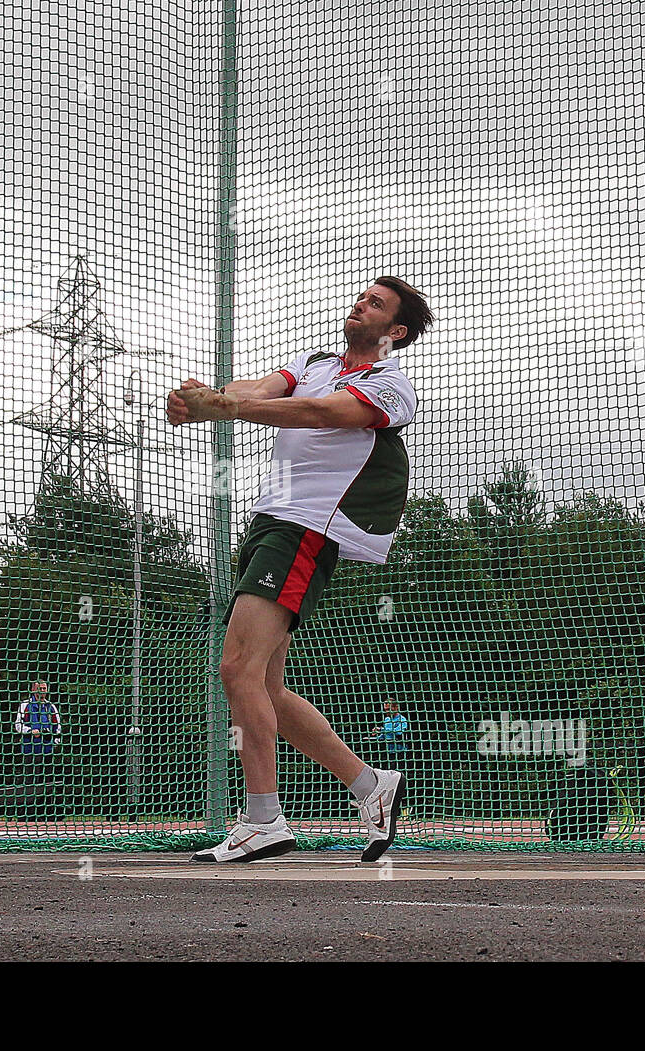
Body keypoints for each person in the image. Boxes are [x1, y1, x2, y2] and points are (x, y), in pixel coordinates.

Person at [168, 276, 432, 862]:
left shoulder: (391, 384)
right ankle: (371, 785)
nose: (360, 303)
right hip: (271, 520)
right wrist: (202, 396)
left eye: (376, 303)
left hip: (308, 527)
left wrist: (229, 407)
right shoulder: (314, 361)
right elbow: (262, 386)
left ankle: (263, 818)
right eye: (361, 296)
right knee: (264, 684)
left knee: (236, 666)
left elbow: (317, 413)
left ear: (396, 331)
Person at [15, 680, 62, 820]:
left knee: (47, 781)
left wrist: (54, 742)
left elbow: (57, 727)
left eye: (44, 688)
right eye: (40, 688)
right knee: (30, 781)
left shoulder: (51, 707)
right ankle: (28, 814)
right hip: (30, 749)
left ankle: (45, 813)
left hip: (46, 750)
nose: (42, 691)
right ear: (33, 690)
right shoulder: (25, 705)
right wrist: (31, 731)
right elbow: (18, 725)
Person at [372, 697, 411, 817]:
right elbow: (384, 736)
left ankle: (406, 809)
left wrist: (383, 730)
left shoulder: (401, 719)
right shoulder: (387, 719)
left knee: (401, 782)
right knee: (389, 783)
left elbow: (399, 733)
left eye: (389, 709)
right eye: (385, 709)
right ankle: (392, 811)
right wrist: (376, 735)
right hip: (390, 754)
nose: (386, 712)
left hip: (401, 754)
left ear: (395, 707)